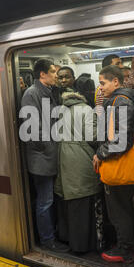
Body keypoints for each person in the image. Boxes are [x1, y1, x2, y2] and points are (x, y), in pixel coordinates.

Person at [20, 59, 70, 253]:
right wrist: (51, 146)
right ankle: (47, 240)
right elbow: (33, 130)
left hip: (51, 155)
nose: (56, 75)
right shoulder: (31, 94)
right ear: (42, 74)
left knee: (50, 199)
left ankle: (53, 234)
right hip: (41, 158)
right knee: (45, 201)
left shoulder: (49, 92)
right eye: (52, 72)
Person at [92, 65, 134, 263]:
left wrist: (100, 154)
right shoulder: (122, 99)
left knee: (118, 211)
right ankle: (126, 244)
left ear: (116, 82)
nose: (100, 87)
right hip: (121, 164)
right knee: (123, 209)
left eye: (103, 83)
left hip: (118, 164)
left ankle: (126, 250)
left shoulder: (120, 102)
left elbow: (121, 141)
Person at [54, 89, 102, 253]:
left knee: (70, 205)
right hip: (81, 162)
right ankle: (83, 246)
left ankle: (68, 239)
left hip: (64, 161)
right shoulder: (86, 110)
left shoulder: (61, 109)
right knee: (84, 205)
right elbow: (93, 137)